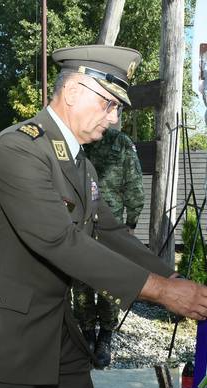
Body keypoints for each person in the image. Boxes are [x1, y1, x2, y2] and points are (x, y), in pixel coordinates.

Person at [0, 45, 207, 388]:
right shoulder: (18, 148)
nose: (113, 118)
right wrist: (162, 292)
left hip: (55, 329)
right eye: (109, 104)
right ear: (74, 91)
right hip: (3, 335)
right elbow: (59, 240)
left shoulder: (78, 163)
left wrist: (170, 275)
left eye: (117, 109)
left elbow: (109, 231)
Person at [74, 129, 144, 369]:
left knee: (108, 282)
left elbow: (133, 182)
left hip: (111, 224)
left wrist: (131, 222)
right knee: (81, 281)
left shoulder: (121, 142)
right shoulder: (77, 139)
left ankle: (105, 335)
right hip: (79, 222)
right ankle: (86, 333)